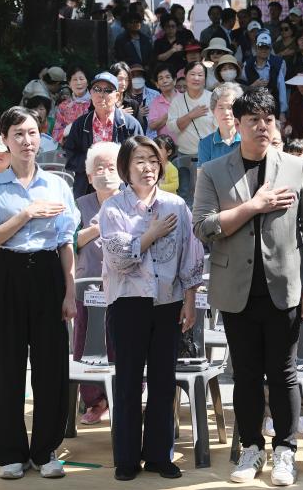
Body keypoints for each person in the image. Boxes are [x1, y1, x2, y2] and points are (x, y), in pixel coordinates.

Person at [192, 88, 303, 486]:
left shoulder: (297, 169)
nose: (263, 126)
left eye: (268, 119)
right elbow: (204, 227)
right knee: (246, 373)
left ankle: (285, 449)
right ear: (237, 123)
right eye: (253, 119)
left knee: (283, 372)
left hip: (284, 287)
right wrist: (253, 205)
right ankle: (251, 446)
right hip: (235, 288)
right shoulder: (213, 171)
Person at [0, 107, 79, 480]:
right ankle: (10, 452)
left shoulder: (57, 184)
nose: (27, 141)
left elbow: (67, 242)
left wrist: (69, 292)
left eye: (32, 133)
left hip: (48, 271)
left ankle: (47, 450)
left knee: (51, 364)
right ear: (4, 139)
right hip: (8, 272)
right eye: (18, 134)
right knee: (5, 364)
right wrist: (27, 214)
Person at [99, 136, 203, 482]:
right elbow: (116, 260)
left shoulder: (177, 206)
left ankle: (159, 455)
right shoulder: (113, 208)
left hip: (168, 302)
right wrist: (150, 233)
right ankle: (126, 458)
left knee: (163, 381)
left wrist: (189, 301)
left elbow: (191, 256)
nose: (148, 168)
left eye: (153, 161)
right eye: (140, 161)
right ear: (125, 168)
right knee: (128, 381)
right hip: (128, 302)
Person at [72, 142, 121, 426]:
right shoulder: (80, 205)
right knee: (85, 343)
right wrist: (95, 229)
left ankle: (123, 395)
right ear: (89, 176)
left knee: (121, 341)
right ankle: (94, 400)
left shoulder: (133, 201)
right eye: (98, 168)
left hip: (124, 286)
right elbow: (70, 242)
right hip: (87, 286)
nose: (105, 173)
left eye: (111, 167)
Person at [64, 72, 143, 198]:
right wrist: (93, 163)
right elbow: (70, 157)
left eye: (107, 90)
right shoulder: (80, 124)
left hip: (122, 189)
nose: (101, 94)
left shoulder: (130, 125)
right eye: (97, 89)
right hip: (87, 188)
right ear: (90, 94)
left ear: (117, 96)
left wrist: (114, 166)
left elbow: (140, 158)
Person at [166, 61, 217, 205]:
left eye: (200, 75)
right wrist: (190, 115)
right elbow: (172, 127)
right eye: (192, 74)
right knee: (184, 193)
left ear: (205, 78)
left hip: (209, 156)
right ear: (185, 77)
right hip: (184, 156)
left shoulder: (212, 98)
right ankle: (186, 225)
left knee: (208, 193)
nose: (196, 78)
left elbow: (220, 127)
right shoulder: (178, 101)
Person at [198, 82, 244, 168]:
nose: (226, 113)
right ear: (213, 110)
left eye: (231, 107)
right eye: (221, 107)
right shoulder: (205, 144)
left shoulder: (248, 139)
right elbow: (202, 178)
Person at [243, 32, 289, 115]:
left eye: (267, 47)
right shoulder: (246, 64)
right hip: (251, 107)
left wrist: (282, 113)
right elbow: (241, 88)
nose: (264, 50)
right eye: (261, 47)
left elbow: (282, 88)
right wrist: (253, 86)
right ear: (256, 47)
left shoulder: (279, 63)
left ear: (271, 48)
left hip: (273, 107)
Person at [52, 67, 92, 144]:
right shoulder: (63, 106)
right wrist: (66, 131)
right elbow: (56, 134)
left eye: (81, 79)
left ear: (87, 82)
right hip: (70, 149)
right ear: (69, 84)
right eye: (74, 80)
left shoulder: (96, 103)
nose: (78, 83)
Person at [146, 64, 177, 139]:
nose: (165, 81)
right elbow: (152, 126)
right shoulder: (154, 103)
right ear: (157, 84)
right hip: (166, 147)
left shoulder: (185, 98)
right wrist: (168, 115)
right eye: (161, 78)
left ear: (175, 80)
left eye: (168, 77)